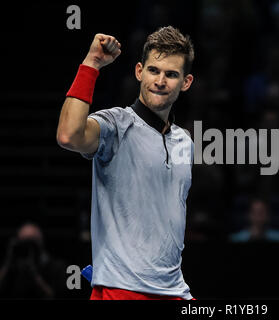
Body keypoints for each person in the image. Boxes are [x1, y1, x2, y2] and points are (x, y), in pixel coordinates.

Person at [56, 26, 195, 300]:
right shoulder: (115, 124)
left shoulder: (185, 142)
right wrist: (91, 64)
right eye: (154, 70)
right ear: (139, 71)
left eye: (171, 74)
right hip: (120, 291)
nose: (161, 80)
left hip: (176, 291)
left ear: (186, 82)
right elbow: (68, 135)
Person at [0, 223, 67, 299]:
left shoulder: (56, 267)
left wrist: (34, 273)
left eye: (31, 242)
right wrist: (8, 261)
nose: (27, 247)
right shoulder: (12, 268)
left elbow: (54, 296)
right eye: (23, 242)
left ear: (41, 242)